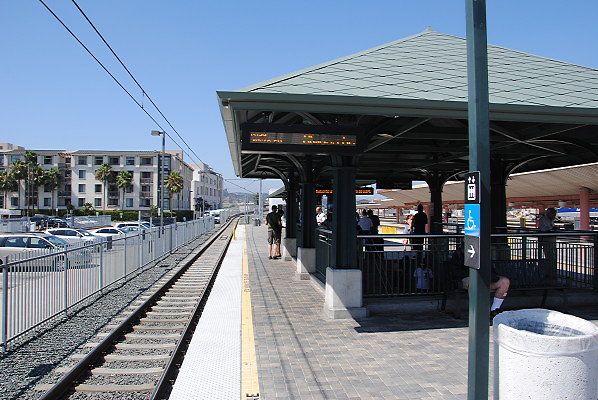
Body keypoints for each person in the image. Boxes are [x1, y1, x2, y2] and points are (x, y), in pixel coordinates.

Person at [451, 244, 510, 319]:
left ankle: (494, 310)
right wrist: (472, 274)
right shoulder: (458, 255)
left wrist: (490, 276)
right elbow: (455, 272)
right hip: (466, 278)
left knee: (504, 281)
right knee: (474, 282)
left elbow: (491, 269)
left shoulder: (483, 254)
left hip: (485, 278)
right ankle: (479, 311)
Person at [538, 207, 558, 279]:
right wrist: (552, 229)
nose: (554, 216)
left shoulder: (550, 220)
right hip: (546, 240)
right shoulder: (544, 220)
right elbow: (544, 229)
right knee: (549, 257)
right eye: (553, 214)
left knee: (552, 257)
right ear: (549, 214)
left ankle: (552, 273)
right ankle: (549, 273)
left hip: (551, 240)